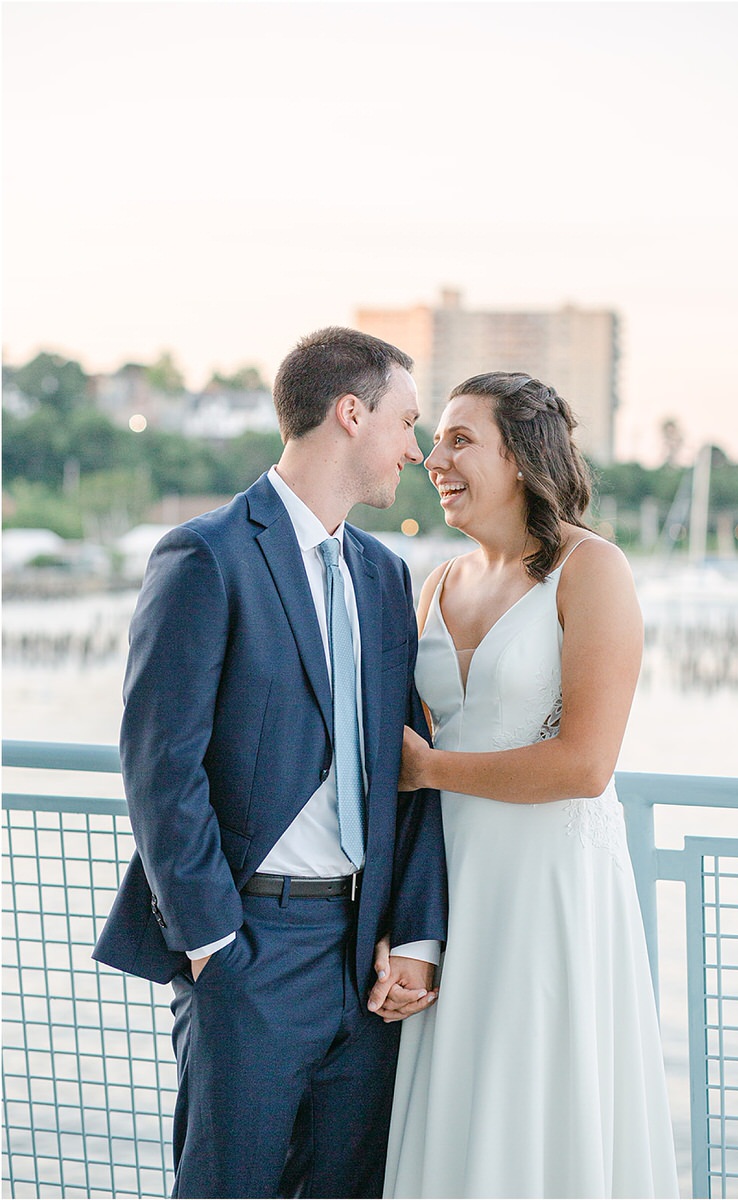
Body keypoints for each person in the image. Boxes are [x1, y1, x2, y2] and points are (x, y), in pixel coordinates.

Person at [93, 327, 448, 1199]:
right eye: (407, 422)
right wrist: (213, 943)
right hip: (249, 947)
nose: (415, 448)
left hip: (363, 959)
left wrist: (411, 934)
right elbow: (160, 763)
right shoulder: (206, 554)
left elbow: (407, 768)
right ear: (351, 412)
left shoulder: (383, 574)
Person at [379, 372, 679, 1199]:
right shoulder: (438, 583)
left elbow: (585, 764)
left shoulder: (591, 569)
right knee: (462, 1104)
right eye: (434, 440)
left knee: (541, 1092)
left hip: (550, 885)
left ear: (520, 455)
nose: (433, 458)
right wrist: (408, 933)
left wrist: (430, 770)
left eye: (460, 440)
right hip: (454, 885)